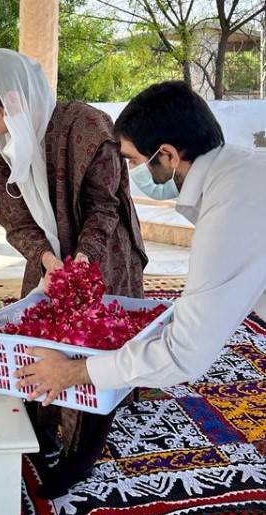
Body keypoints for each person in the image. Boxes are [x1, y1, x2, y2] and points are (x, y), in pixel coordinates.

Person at [0, 48, 148, 498]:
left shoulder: (87, 127)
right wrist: (48, 261)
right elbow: (16, 220)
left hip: (101, 250)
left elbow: (105, 206)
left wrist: (82, 262)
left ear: (12, 100)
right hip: (49, 256)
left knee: (93, 349)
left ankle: (79, 459)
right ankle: (42, 433)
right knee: (33, 339)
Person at [15, 81, 266, 409]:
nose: (130, 171)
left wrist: (73, 371)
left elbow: (184, 353)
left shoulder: (230, 212)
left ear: (168, 154)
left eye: (133, 161)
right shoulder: (242, 170)